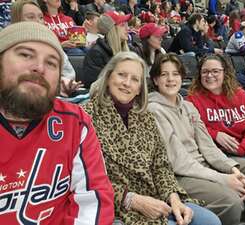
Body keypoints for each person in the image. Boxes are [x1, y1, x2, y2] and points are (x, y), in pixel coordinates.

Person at [83, 51, 222, 225]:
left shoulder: (144, 116)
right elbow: (85, 179)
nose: (127, 83)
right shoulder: (86, 117)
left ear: (140, 88)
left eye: (135, 79)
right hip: (118, 206)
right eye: (122, 75)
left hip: (158, 197)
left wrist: (174, 198)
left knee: (210, 221)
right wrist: (131, 199)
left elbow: (161, 165)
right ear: (109, 77)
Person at [0, 21, 114, 224]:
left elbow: (93, 202)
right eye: (26, 54)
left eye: (52, 63)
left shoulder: (74, 122)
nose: (39, 67)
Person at [147, 53, 245, 225]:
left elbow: (208, 147)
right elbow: (179, 162)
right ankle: (233, 213)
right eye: (164, 74)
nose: (170, 79)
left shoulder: (188, 106)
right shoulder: (154, 110)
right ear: (155, 80)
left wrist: (233, 171)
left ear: (182, 77)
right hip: (181, 175)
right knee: (231, 201)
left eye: (175, 74)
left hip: (204, 164)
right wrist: (224, 179)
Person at [10, 0, 83, 98]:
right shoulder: (8, 47)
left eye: (40, 17)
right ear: (17, 19)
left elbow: (68, 73)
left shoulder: (52, 45)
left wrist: (64, 84)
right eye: (31, 17)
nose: (38, 21)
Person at [82, 11, 131, 88]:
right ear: (112, 30)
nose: (127, 28)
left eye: (127, 25)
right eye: (122, 25)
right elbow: (95, 86)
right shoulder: (96, 53)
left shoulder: (129, 50)